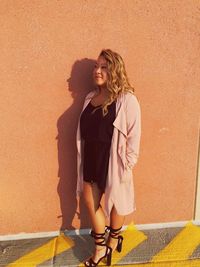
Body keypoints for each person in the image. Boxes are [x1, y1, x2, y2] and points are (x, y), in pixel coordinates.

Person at [76, 49, 141, 266]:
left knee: (117, 202)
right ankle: (100, 248)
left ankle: (113, 239)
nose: (97, 71)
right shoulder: (89, 98)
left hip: (114, 160)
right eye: (96, 66)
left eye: (104, 67)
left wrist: (128, 164)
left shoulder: (126, 99)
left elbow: (134, 134)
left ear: (114, 70)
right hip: (92, 158)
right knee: (90, 201)